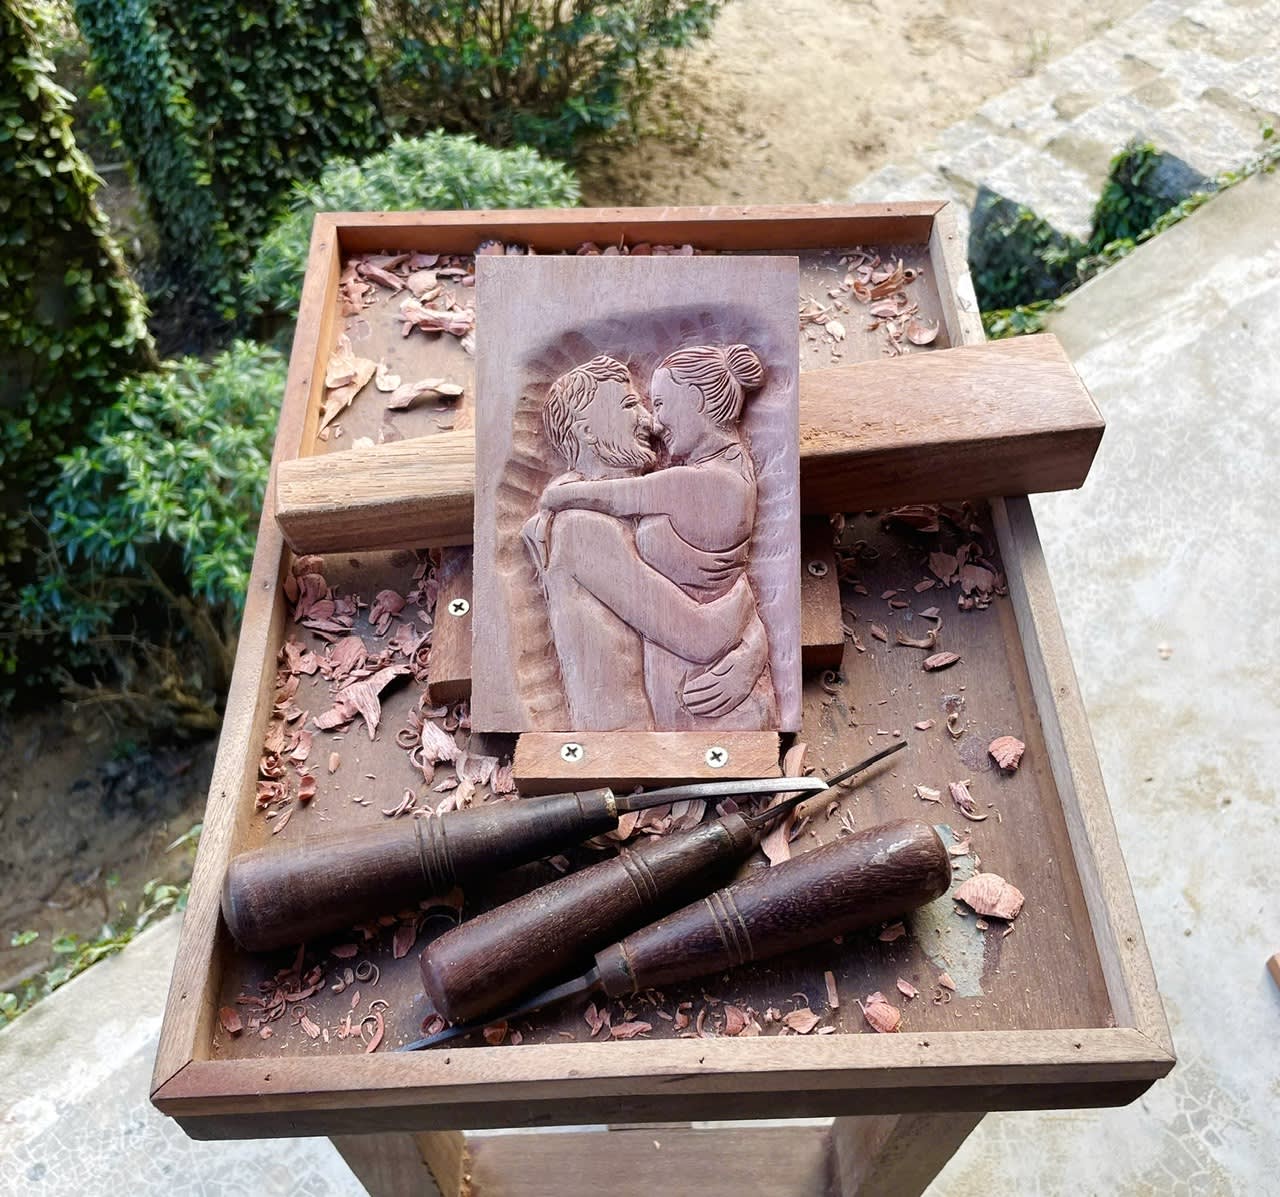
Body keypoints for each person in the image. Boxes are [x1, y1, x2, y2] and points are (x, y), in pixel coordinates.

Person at [536, 345, 775, 728]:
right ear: (588, 432)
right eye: (631, 405)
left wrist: (753, 649)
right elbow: (698, 635)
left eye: (656, 405)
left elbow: (711, 588)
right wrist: (748, 603)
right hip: (634, 750)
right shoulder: (582, 528)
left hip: (699, 720)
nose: (651, 422)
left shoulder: (664, 502)